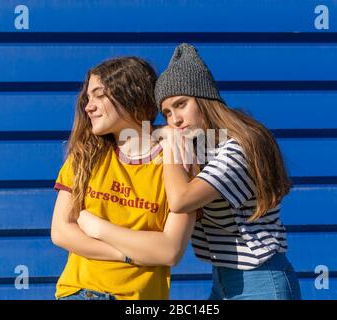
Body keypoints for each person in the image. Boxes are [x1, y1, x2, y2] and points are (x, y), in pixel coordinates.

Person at [81, 43, 302, 300]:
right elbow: (141, 141)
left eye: (181, 104)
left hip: (261, 281)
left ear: (204, 99)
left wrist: (171, 142)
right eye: (166, 112)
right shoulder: (204, 143)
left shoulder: (238, 148)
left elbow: (180, 199)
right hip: (224, 279)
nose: (174, 119)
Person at [50, 56, 196, 300]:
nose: (88, 106)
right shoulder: (85, 155)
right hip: (78, 293)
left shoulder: (177, 163)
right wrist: (129, 254)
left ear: (131, 94)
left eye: (99, 95)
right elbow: (61, 232)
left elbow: (170, 251)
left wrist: (99, 228)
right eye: (87, 98)